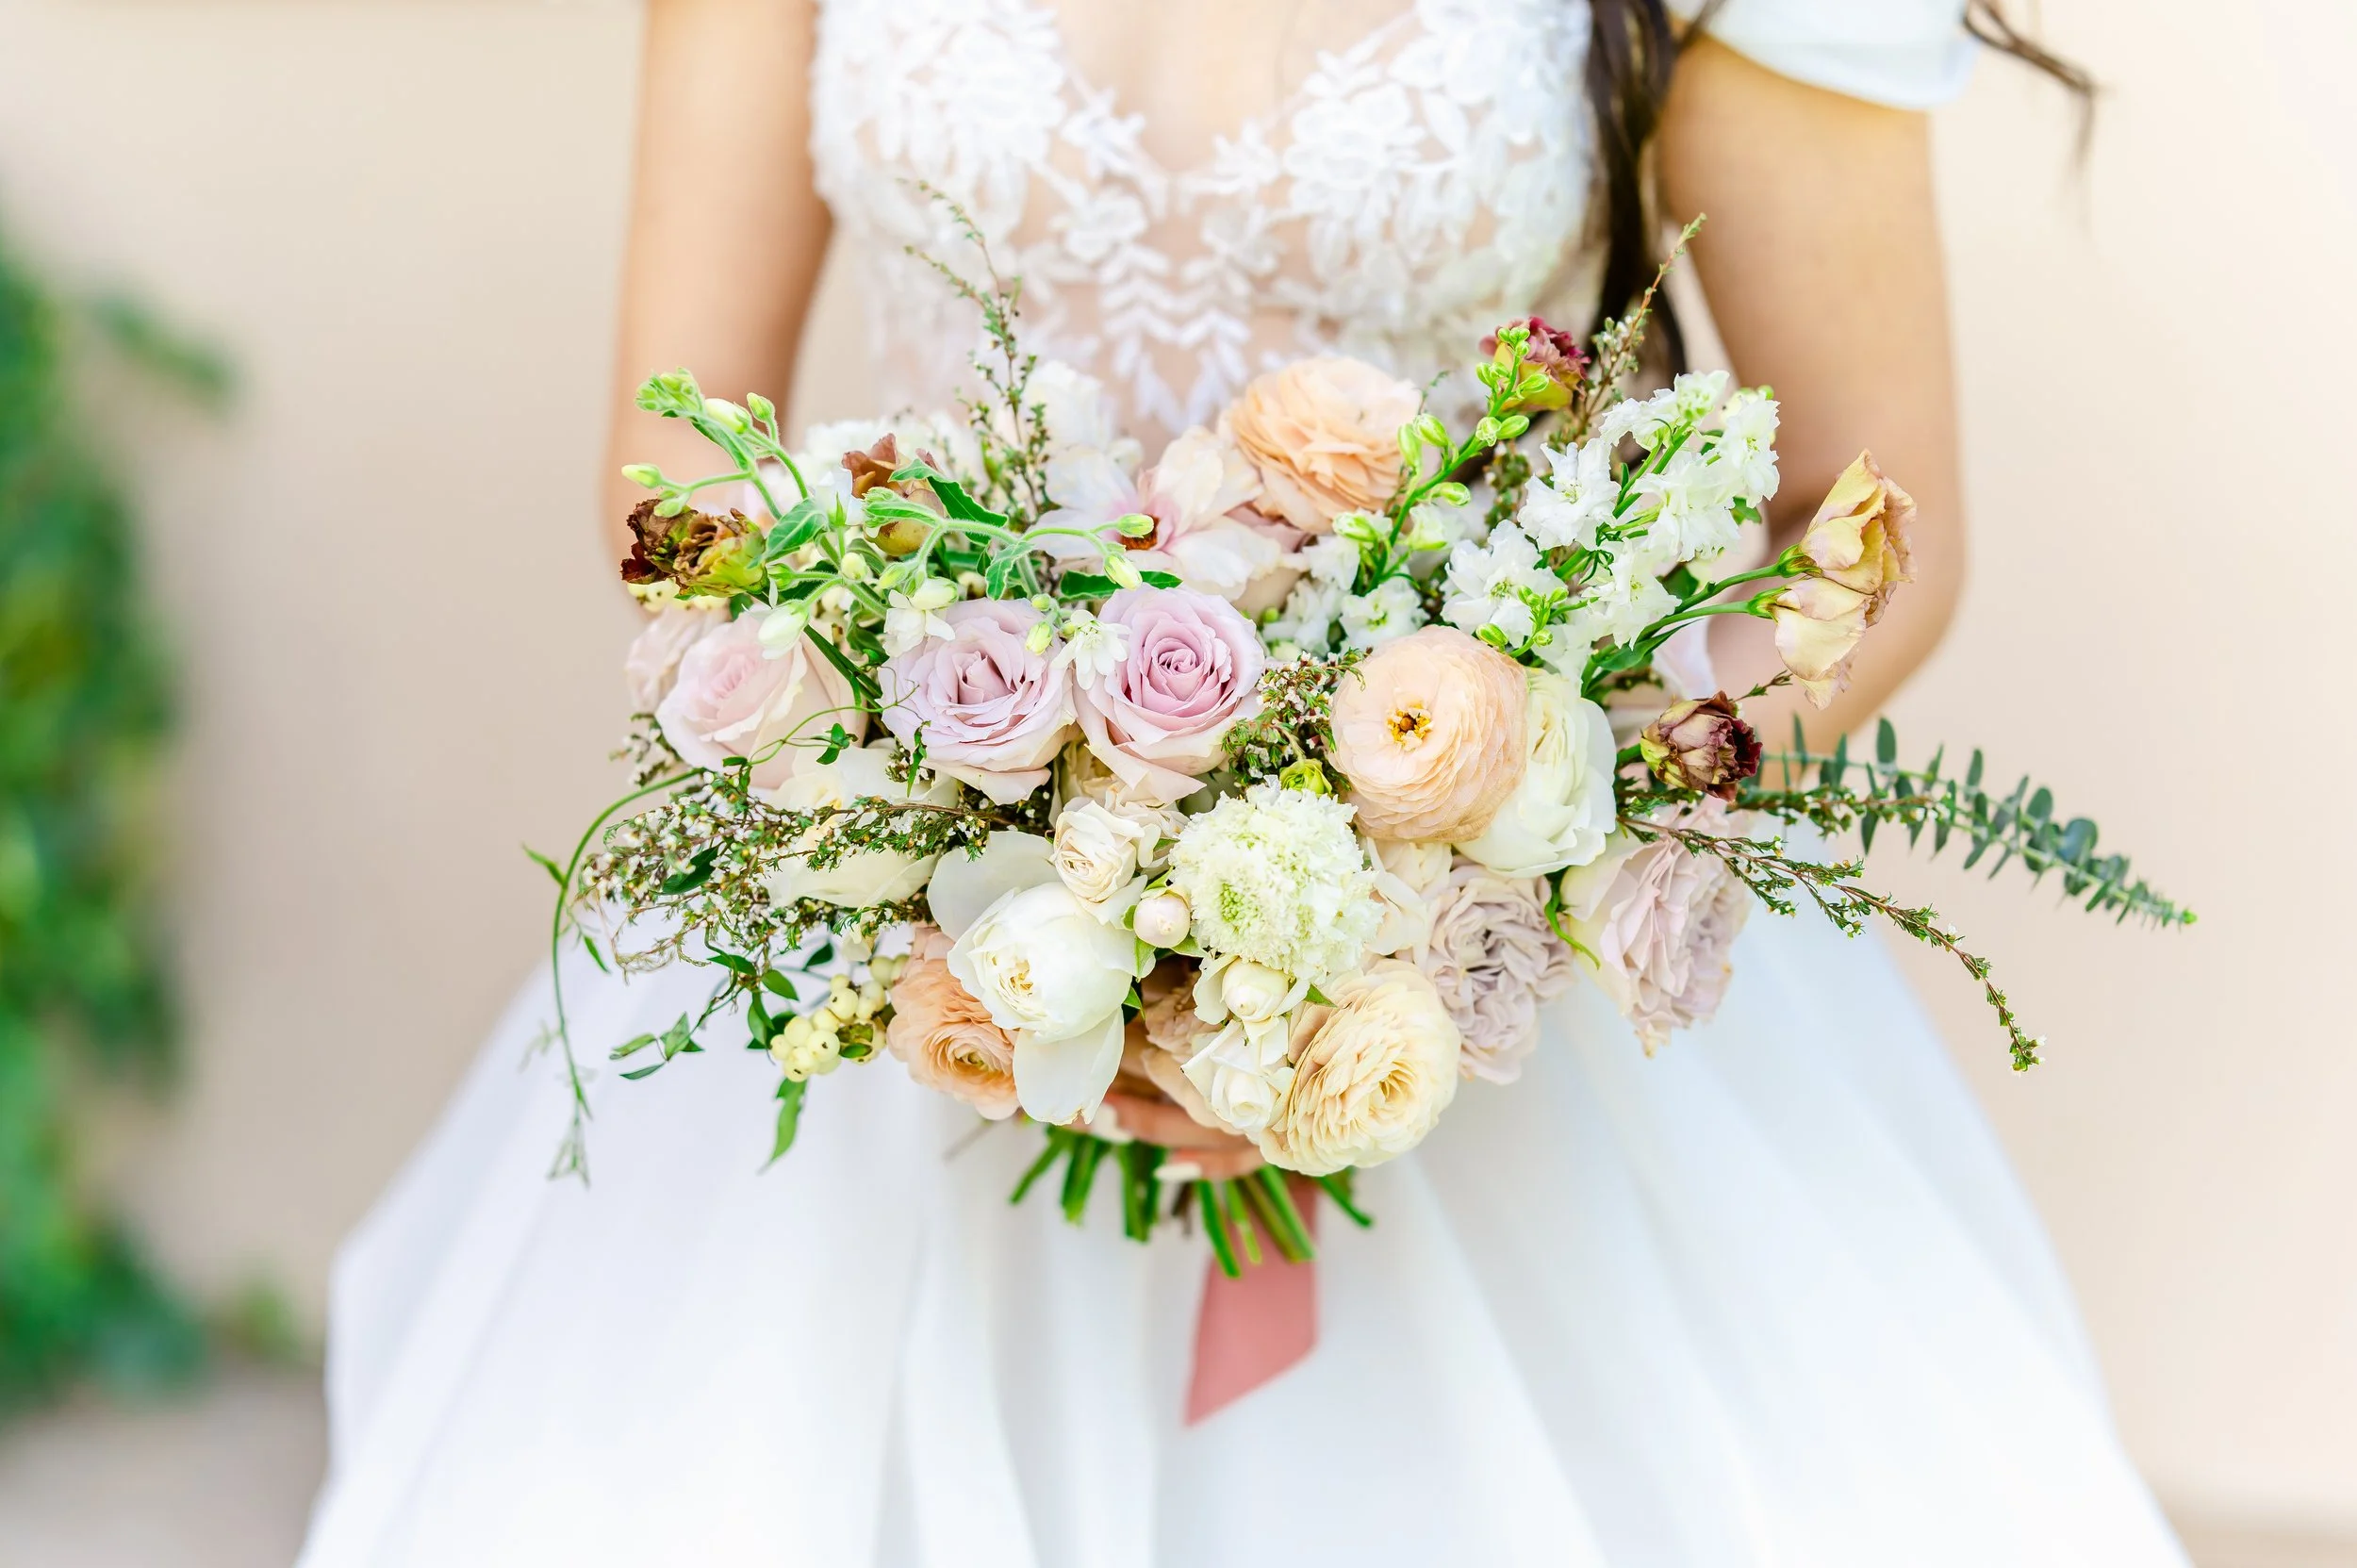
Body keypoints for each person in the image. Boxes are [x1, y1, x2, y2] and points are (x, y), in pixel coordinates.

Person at [299, 1, 2191, 1562]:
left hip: (1482, 999)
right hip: (907, 973)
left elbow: (1862, 532)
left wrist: (1455, 886)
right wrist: (949, 837)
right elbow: (677, 490)